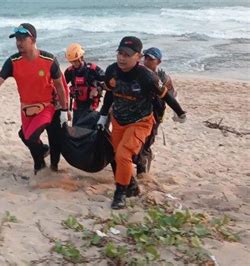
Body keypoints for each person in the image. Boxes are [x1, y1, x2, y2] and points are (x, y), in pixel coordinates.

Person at [97, 36, 187, 209]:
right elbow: (109, 94)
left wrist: (180, 112)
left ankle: (120, 193)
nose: (122, 58)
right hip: (118, 120)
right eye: (120, 53)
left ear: (138, 57)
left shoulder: (147, 77)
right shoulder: (112, 71)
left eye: (127, 55)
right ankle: (132, 186)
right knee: (118, 156)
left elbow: (166, 95)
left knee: (123, 154)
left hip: (141, 122)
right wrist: (102, 117)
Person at [0, 23, 68, 174]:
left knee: (44, 137)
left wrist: (64, 109)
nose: (18, 43)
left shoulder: (49, 60)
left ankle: (52, 167)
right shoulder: (13, 62)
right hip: (26, 108)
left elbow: (60, 86)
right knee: (25, 136)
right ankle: (40, 164)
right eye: (17, 39)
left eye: (22, 39)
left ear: (32, 39)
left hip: (48, 106)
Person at [135, 47, 177, 175]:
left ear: (158, 62)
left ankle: (142, 172)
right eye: (146, 58)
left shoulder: (164, 78)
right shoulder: (138, 73)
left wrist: (177, 112)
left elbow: (171, 96)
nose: (147, 61)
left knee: (145, 144)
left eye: (151, 59)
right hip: (138, 113)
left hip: (155, 115)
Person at [64, 43, 105, 125]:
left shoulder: (93, 69)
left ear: (82, 57)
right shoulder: (69, 72)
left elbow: (108, 82)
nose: (74, 64)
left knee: (89, 128)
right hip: (77, 104)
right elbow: (62, 86)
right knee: (76, 127)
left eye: (76, 60)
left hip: (91, 104)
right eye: (72, 61)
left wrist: (97, 89)